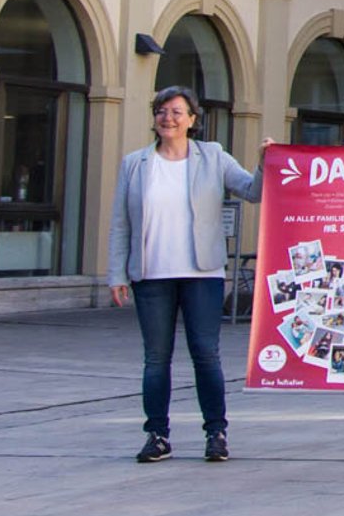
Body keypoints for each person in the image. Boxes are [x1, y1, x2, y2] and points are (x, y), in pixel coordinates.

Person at [107, 86, 267, 463]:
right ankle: (157, 435)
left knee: (206, 356)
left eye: (177, 112)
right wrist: (117, 274)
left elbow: (253, 191)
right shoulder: (135, 163)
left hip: (202, 274)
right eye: (162, 111)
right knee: (156, 359)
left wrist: (264, 161)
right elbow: (120, 225)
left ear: (192, 120)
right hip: (151, 275)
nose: (168, 118)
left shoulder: (212, 157)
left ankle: (216, 433)